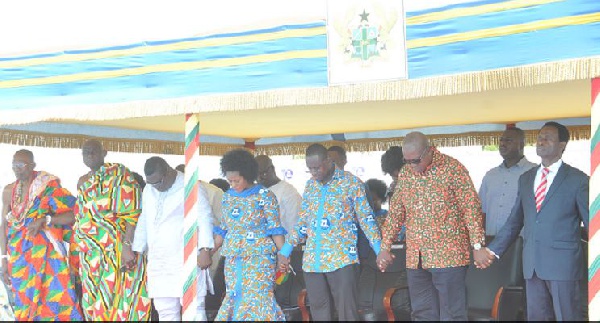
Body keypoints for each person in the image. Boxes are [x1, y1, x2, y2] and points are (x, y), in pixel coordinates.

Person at [474, 122, 589, 321]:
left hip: (564, 266)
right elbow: (514, 222)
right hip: (532, 265)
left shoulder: (578, 180)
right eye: (540, 137)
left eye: (548, 137)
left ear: (562, 145)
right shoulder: (527, 179)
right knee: (536, 316)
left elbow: (592, 224)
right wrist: (492, 251)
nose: (542, 141)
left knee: (568, 316)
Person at [377, 132, 485, 321]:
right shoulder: (405, 174)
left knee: (451, 315)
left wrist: (477, 245)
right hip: (416, 258)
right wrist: (385, 247)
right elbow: (395, 214)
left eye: (415, 161)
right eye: (406, 161)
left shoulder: (453, 169)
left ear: (429, 151)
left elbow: (471, 208)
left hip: (449, 256)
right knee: (422, 313)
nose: (411, 166)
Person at [279, 143, 382, 321]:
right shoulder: (310, 186)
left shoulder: (351, 183)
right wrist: (285, 250)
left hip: (342, 259)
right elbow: (303, 222)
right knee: (319, 313)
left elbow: (367, 219)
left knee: (346, 312)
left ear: (329, 160)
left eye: (317, 167)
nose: (314, 173)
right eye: (310, 169)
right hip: (313, 261)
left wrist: (380, 250)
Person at [0, 149, 83, 321]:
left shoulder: (47, 187)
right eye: (14, 165)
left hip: (47, 259)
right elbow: (4, 226)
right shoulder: (8, 191)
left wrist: (46, 220)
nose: (17, 169)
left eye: (21, 165)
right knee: (24, 305)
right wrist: (3, 258)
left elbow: (76, 213)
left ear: (32, 166)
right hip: (19, 259)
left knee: (56, 301)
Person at [74, 139, 151, 321]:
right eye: (86, 152)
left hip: (116, 251)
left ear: (104, 153)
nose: (90, 155)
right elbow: (81, 216)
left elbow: (133, 213)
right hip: (90, 254)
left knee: (116, 298)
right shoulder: (82, 181)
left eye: (94, 151)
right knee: (92, 302)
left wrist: (127, 246)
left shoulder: (119, 174)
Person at [132, 157, 214, 321]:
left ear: (168, 171)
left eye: (158, 182)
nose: (155, 187)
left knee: (194, 310)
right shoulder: (149, 189)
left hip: (186, 258)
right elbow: (144, 218)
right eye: (151, 183)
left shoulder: (191, 185)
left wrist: (205, 249)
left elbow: (205, 218)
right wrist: (137, 248)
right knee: (165, 312)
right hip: (159, 261)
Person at [212, 149, 287, 321]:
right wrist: (210, 250)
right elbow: (224, 228)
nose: (233, 184)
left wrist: (283, 255)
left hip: (259, 258)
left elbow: (275, 228)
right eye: (229, 181)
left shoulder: (265, 196)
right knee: (235, 295)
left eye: (236, 180)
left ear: (248, 175)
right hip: (233, 259)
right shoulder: (228, 197)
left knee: (258, 298)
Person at [479, 127, 536, 235]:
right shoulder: (491, 175)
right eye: (501, 140)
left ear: (521, 145)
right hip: (492, 243)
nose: (503, 144)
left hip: (523, 243)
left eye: (509, 140)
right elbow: (482, 211)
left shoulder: (534, 172)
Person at [255, 155, 302, 234]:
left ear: (272, 169)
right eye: (256, 175)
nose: (259, 178)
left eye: (263, 173)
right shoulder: (256, 191)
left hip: (283, 243)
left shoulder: (289, 192)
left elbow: (295, 226)